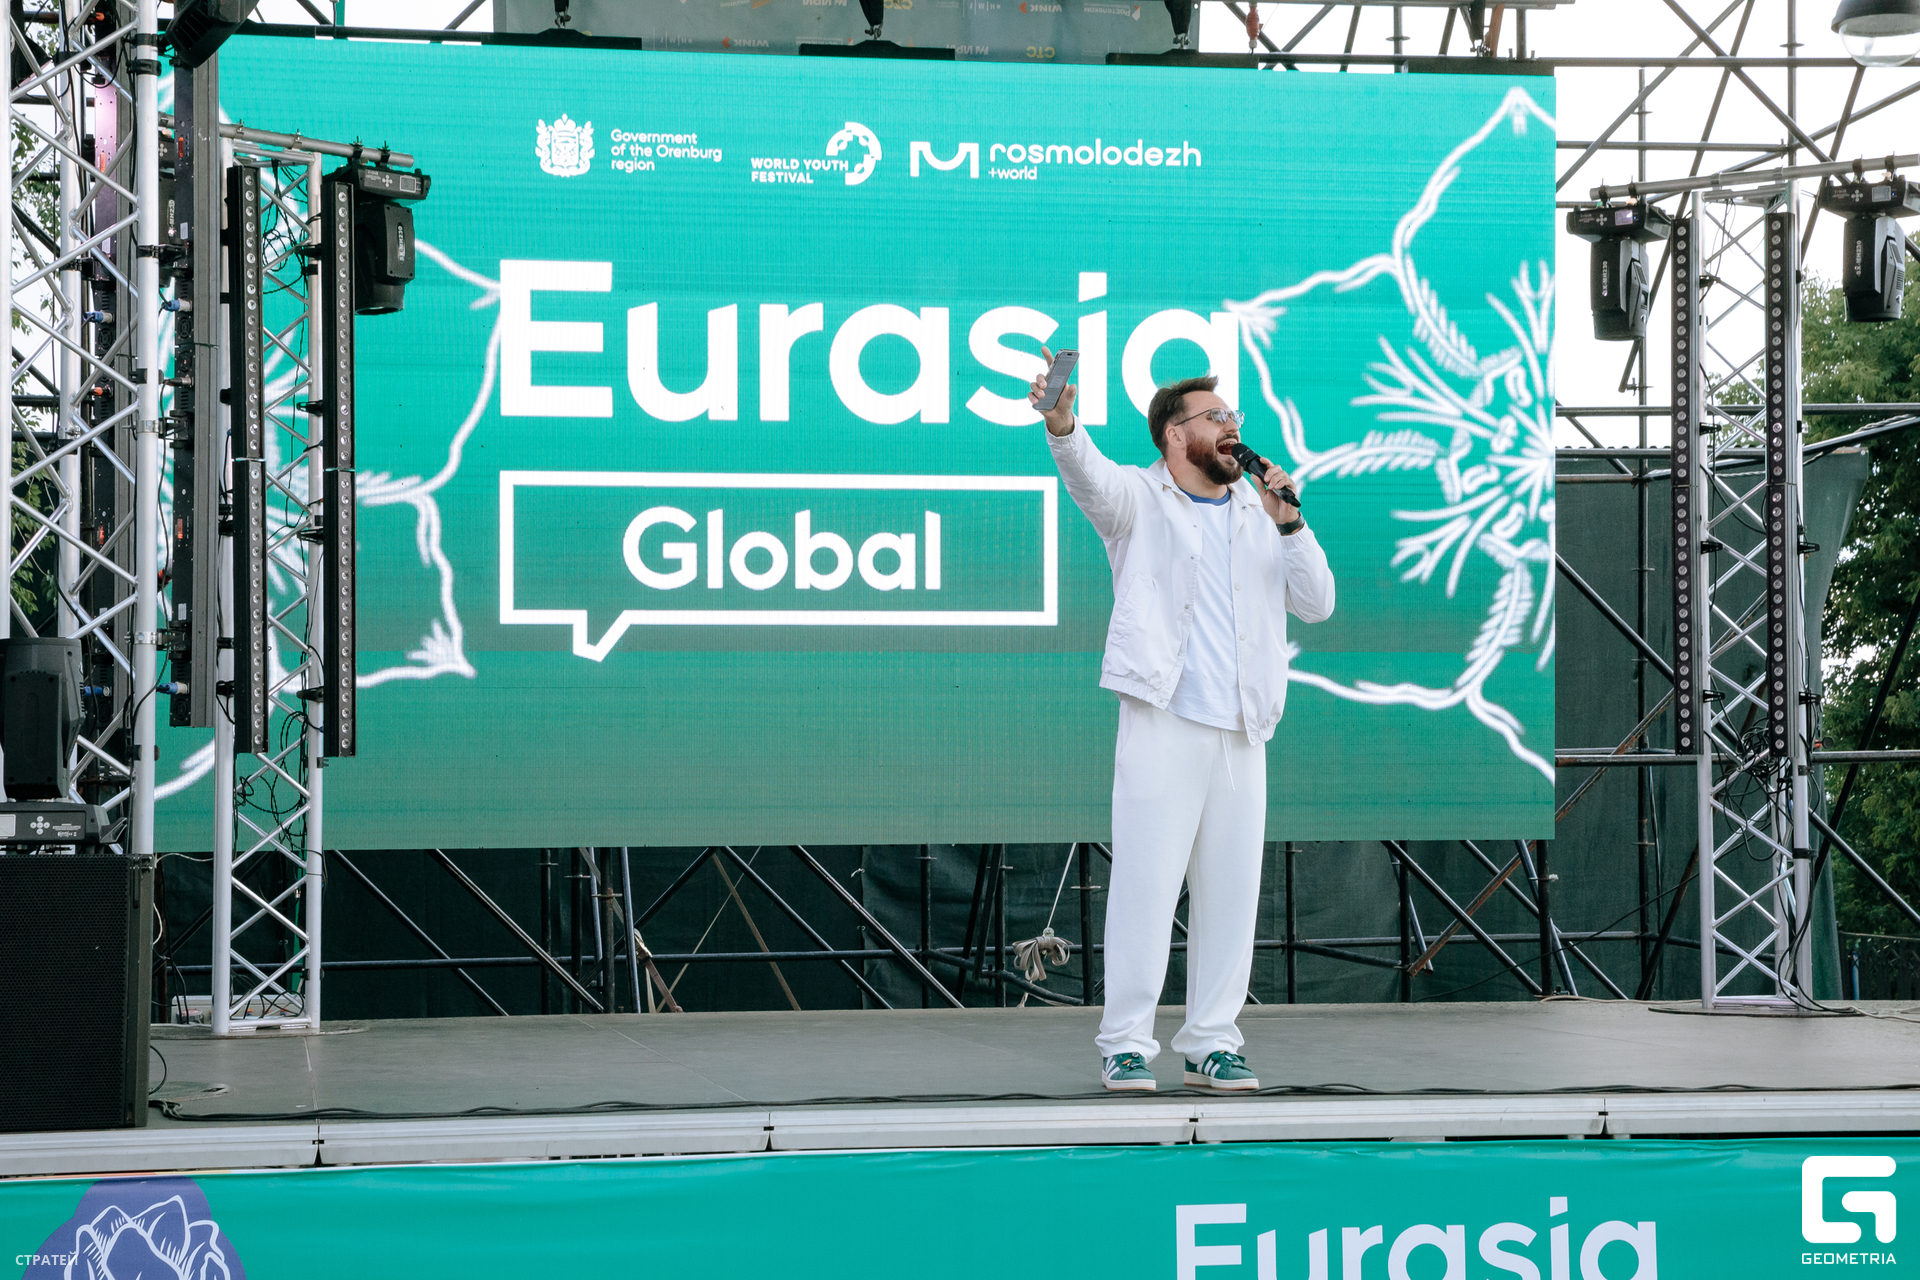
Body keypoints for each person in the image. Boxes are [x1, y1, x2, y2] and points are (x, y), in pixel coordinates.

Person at [1029, 349, 1335, 1092]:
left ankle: (1212, 1043)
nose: (1232, 428)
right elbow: (1088, 476)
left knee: (1231, 892)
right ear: (1174, 434)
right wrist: (1063, 423)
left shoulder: (1261, 514)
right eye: (1215, 417)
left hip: (1244, 727)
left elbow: (1317, 603)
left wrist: (1291, 524)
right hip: (1165, 718)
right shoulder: (1138, 499)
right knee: (1147, 885)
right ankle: (1125, 1043)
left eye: (1234, 416)